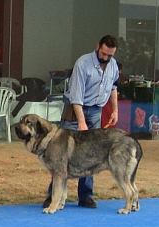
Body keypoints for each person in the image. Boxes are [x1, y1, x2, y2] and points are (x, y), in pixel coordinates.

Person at [43, 35, 120, 210]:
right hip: (77, 110)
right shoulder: (83, 64)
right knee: (60, 155)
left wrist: (115, 110)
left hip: (96, 110)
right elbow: (76, 97)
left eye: (110, 55)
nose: (106, 58)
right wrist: (81, 123)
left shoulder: (113, 65)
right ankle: (53, 196)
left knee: (90, 154)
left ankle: (85, 196)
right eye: (104, 54)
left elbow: (114, 87)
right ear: (97, 46)